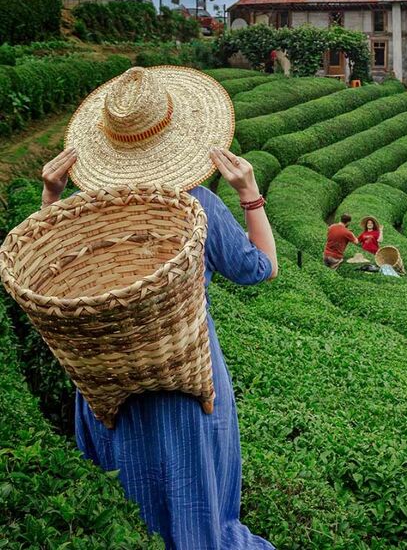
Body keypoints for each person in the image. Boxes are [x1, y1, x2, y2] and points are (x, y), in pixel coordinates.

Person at [40, 66, 278, 550]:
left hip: (109, 382)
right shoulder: (198, 206)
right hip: (184, 374)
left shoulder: (90, 207)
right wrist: (250, 195)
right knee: (196, 502)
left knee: (127, 508)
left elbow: (52, 271)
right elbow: (261, 268)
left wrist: (51, 196)